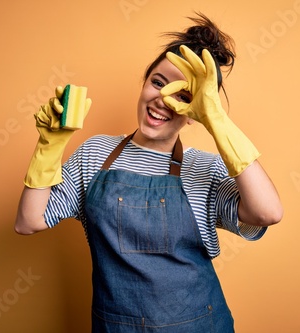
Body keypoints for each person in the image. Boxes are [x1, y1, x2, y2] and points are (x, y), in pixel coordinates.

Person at [15, 13, 283, 333]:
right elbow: (29, 221)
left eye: (183, 97)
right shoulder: (95, 155)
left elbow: (268, 212)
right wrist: (48, 147)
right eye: (158, 82)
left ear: (197, 112)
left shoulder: (203, 169)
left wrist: (220, 122)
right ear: (144, 83)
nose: (162, 99)